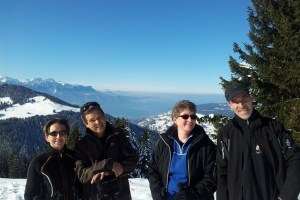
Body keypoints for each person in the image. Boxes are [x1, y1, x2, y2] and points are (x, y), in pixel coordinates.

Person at [216, 83, 300, 200]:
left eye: (244, 98)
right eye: (235, 101)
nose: (241, 104)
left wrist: (287, 195)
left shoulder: (274, 128)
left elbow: (295, 159)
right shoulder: (225, 134)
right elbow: (221, 172)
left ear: (251, 98)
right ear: (230, 105)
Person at [148, 100, 216, 200]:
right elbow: (153, 170)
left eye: (193, 117)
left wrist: (192, 195)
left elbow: (212, 178)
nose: (190, 120)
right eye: (185, 116)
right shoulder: (164, 143)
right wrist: (157, 192)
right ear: (174, 119)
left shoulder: (205, 145)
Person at [74, 101, 138, 200]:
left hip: (121, 195)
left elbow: (133, 160)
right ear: (85, 124)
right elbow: (82, 174)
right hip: (96, 196)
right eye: (92, 120)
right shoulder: (82, 146)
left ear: (104, 116)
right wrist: (106, 164)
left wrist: (110, 171)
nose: (98, 122)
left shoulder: (118, 136)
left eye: (99, 117)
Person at [24, 118, 81, 200]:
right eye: (53, 133)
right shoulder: (39, 162)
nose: (58, 137)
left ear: (67, 135)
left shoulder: (74, 157)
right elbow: (30, 195)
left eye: (62, 132)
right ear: (46, 137)